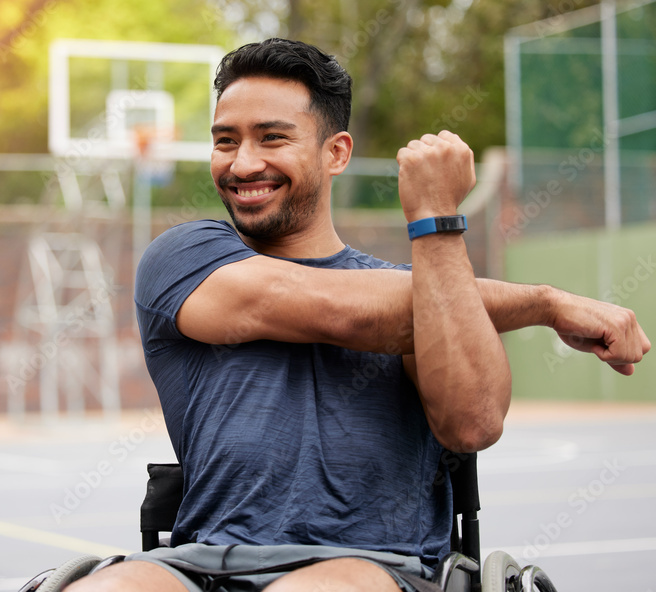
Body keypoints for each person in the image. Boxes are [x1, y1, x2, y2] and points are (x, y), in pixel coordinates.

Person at [67, 38, 650, 592]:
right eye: (225, 141)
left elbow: (473, 424)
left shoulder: (417, 288)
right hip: (199, 563)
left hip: (374, 566)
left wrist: (436, 219)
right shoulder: (184, 257)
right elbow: (336, 310)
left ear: (336, 152)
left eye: (272, 138)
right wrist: (545, 303)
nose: (243, 163)